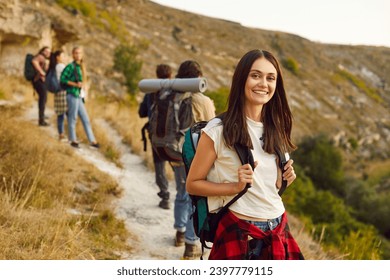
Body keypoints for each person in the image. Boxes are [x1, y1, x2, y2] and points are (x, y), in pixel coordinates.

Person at [186, 49, 304, 260]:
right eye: (255, 75)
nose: (263, 84)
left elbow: (270, 188)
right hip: (239, 232)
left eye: (271, 78)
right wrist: (235, 187)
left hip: (278, 228)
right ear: (242, 79)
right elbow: (192, 183)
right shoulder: (218, 130)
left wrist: (283, 180)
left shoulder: (276, 128)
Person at [169, 60, 215, 259]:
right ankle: (190, 243)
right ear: (198, 77)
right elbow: (213, 128)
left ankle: (179, 232)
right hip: (193, 155)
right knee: (193, 198)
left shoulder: (171, 95)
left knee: (180, 191)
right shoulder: (202, 100)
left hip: (173, 151)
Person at [138, 64, 172, 210]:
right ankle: (184, 195)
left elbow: (141, 113)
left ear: (157, 75)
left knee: (159, 166)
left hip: (156, 136)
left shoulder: (151, 92)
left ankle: (165, 196)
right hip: (174, 136)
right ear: (171, 76)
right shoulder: (176, 91)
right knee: (178, 165)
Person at [60, 46, 99, 149]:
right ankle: (72, 140)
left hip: (79, 96)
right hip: (72, 94)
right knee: (72, 118)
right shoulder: (70, 67)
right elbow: (62, 79)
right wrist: (74, 84)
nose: (78, 55)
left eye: (79, 53)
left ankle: (93, 141)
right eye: (76, 53)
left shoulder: (81, 67)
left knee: (85, 119)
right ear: (73, 54)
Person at [48, 50, 67, 141]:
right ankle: (70, 135)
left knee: (60, 114)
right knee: (69, 113)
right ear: (57, 57)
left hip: (58, 92)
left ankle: (61, 134)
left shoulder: (54, 66)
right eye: (62, 56)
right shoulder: (60, 66)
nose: (64, 57)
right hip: (63, 91)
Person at [31, 46, 51, 126]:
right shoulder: (40, 56)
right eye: (46, 51)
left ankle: (42, 115)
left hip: (40, 81)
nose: (48, 53)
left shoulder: (44, 59)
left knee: (43, 98)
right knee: (43, 98)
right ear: (42, 51)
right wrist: (41, 72)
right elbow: (34, 61)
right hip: (38, 81)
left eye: (49, 52)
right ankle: (41, 120)